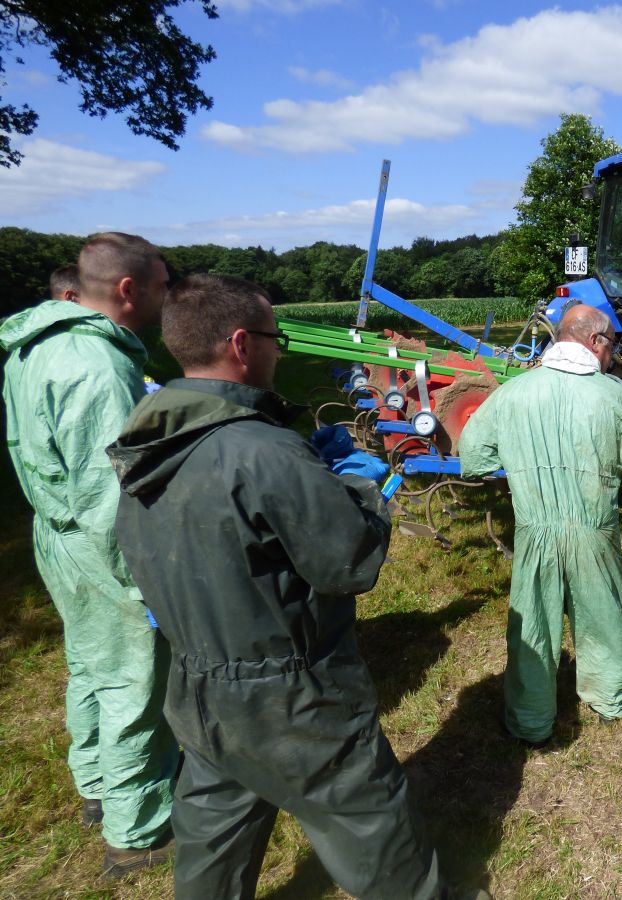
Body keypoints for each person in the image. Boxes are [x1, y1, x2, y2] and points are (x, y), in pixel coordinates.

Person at [106, 273, 453, 900]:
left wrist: (308, 479)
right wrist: (352, 486)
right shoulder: (263, 453)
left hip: (198, 684)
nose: (279, 350)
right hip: (290, 697)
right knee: (369, 821)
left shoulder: (150, 440)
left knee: (214, 830)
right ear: (242, 343)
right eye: (275, 337)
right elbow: (350, 563)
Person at [0, 233, 178, 877]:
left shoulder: (35, 345)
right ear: (128, 290)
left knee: (90, 661)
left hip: (56, 531)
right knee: (134, 673)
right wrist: (145, 581)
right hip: (99, 541)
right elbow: (111, 492)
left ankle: (98, 785)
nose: (166, 298)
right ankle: (138, 829)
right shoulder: (98, 368)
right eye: (161, 286)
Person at [458, 303, 622, 747]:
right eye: (611, 346)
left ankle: (530, 722)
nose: (611, 355)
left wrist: (523, 469)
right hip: (593, 528)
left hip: (534, 529)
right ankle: (610, 701)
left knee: (533, 626)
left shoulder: (513, 392)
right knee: (603, 614)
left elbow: (473, 457)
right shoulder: (614, 395)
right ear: (595, 342)